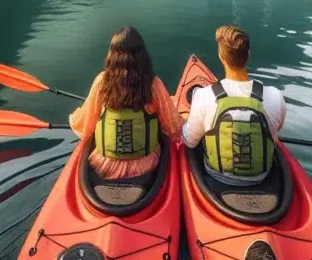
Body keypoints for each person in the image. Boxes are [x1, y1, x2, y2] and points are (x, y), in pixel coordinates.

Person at [69, 26, 183, 179]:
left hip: (105, 166)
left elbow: (84, 126)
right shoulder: (153, 85)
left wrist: (74, 115)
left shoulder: (102, 82)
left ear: (112, 55)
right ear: (142, 55)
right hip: (145, 165)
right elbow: (173, 128)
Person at [183, 25, 287, 185]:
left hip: (216, 175)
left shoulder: (204, 95)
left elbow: (189, 141)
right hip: (262, 176)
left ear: (220, 56)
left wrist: (185, 121)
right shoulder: (275, 95)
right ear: (248, 55)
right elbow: (276, 130)